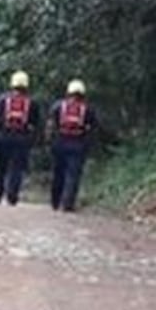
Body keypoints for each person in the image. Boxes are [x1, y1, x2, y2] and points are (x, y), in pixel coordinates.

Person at [0, 70, 40, 206]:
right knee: (16, 168)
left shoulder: (3, 100)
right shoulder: (32, 103)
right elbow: (35, 123)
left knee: (1, 167)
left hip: (3, 137)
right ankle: (12, 196)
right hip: (22, 139)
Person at [49, 79, 98, 212]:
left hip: (59, 143)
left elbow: (51, 126)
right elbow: (93, 129)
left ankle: (55, 202)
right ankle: (67, 204)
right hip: (78, 144)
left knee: (58, 173)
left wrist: (50, 142)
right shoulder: (87, 109)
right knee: (73, 175)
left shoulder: (58, 106)